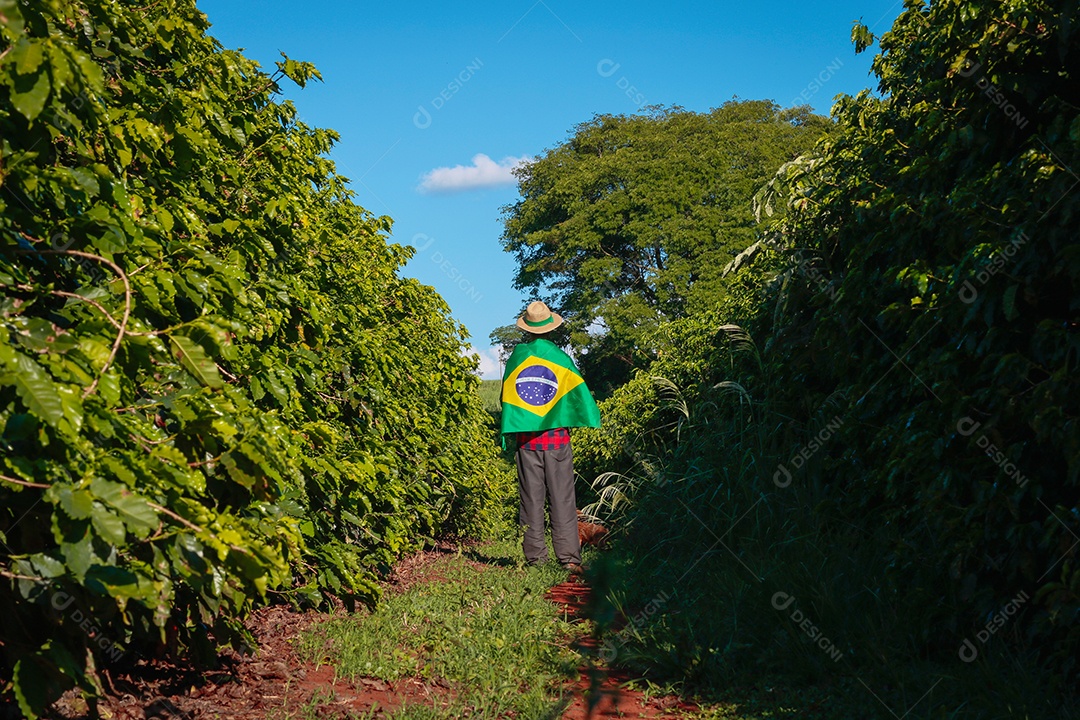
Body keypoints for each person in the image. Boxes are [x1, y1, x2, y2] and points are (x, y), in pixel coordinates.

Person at [500, 301, 601, 573]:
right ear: (550, 328)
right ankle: (569, 558)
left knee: (530, 501)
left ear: (527, 329)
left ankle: (535, 559)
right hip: (557, 442)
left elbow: (508, 398)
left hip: (527, 444)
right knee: (563, 500)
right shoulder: (560, 358)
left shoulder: (518, 358)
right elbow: (576, 395)